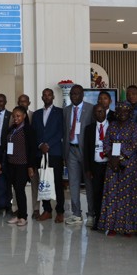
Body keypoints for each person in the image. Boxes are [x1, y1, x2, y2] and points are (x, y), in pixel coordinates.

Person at [97, 102, 137, 236]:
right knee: (112, 194)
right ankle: (111, 226)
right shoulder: (112, 126)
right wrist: (112, 158)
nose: (122, 113)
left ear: (130, 113)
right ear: (116, 113)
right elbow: (106, 143)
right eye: (120, 111)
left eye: (125, 111)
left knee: (127, 195)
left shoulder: (135, 127)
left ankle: (128, 227)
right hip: (112, 164)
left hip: (129, 164)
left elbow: (134, 146)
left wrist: (120, 158)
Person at [62, 84, 94, 226]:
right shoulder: (66, 110)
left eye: (77, 94)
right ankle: (76, 214)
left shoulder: (91, 109)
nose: (74, 96)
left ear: (82, 95)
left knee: (88, 183)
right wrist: (64, 153)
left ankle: (91, 214)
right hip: (71, 150)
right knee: (73, 183)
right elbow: (65, 132)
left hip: (86, 151)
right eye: (72, 94)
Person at [33, 88, 65, 223]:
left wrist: (48, 145)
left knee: (57, 182)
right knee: (43, 182)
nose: (47, 97)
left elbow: (61, 131)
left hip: (54, 152)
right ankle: (47, 210)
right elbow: (34, 132)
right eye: (44, 95)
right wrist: (41, 145)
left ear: (53, 97)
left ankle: (60, 211)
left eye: (49, 95)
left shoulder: (60, 112)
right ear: (42, 97)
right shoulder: (36, 114)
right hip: (40, 153)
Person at [3, 106, 37, 226]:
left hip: (23, 165)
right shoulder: (12, 129)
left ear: (24, 116)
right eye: (14, 116)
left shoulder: (28, 129)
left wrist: (31, 166)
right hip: (11, 164)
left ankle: (23, 217)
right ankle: (18, 215)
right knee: (16, 190)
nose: (15, 118)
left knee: (20, 189)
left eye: (18, 116)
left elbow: (32, 149)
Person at [83, 105, 109, 231]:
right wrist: (87, 169)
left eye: (101, 111)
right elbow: (86, 150)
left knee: (109, 194)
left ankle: (109, 221)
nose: (99, 114)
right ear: (93, 114)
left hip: (109, 166)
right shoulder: (89, 129)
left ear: (105, 112)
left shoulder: (112, 126)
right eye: (97, 112)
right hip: (96, 166)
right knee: (97, 194)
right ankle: (98, 221)